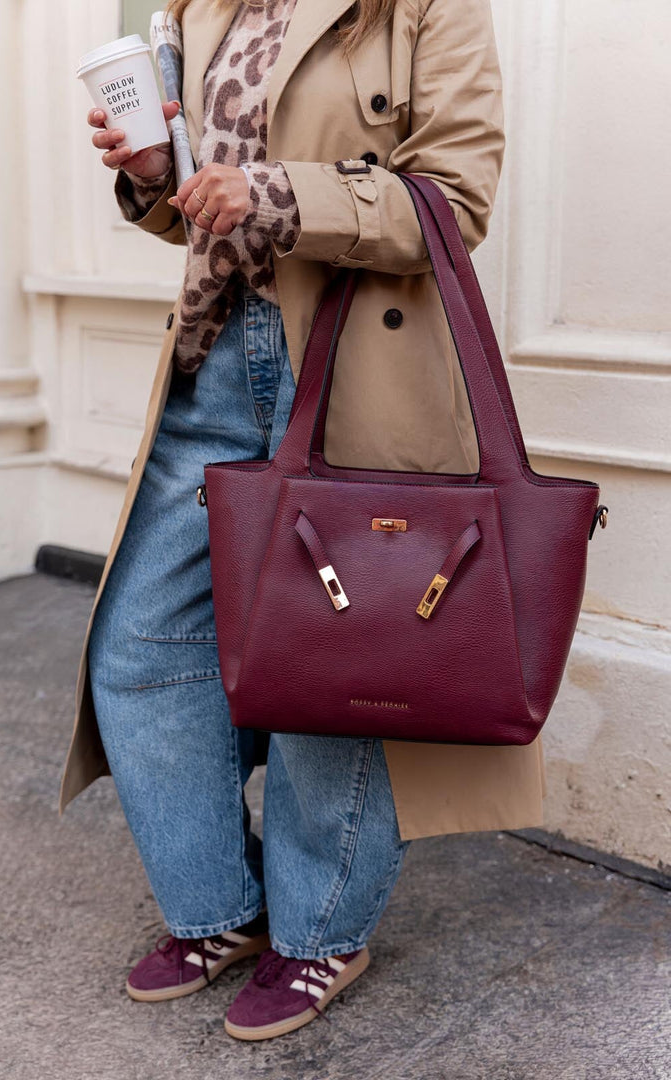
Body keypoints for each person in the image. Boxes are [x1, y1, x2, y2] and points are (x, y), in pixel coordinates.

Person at [63, 0, 546, 1043]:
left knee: (336, 666)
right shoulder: (200, 5)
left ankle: (321, 929)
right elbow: (204, 202)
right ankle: (220, 912)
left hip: (354, 370)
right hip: (214, 359)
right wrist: (157, 176)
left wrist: (275, 194)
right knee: (145, 646)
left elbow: (452, 203)